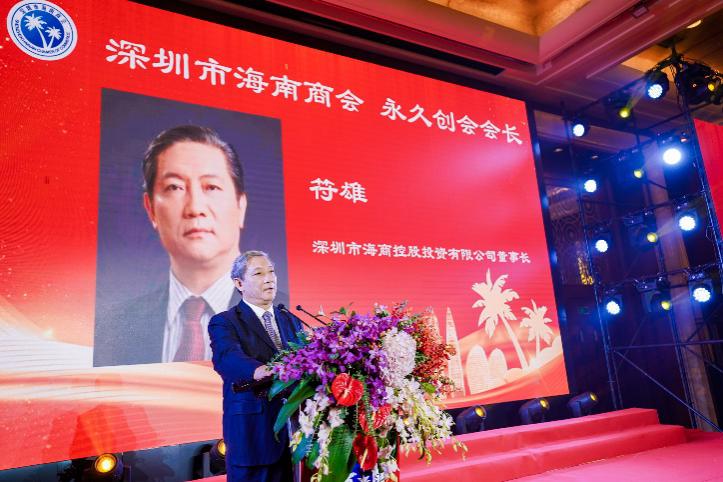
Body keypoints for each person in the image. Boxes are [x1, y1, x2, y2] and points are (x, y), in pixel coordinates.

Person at [93, 125, 247, 366]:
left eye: (211, 187)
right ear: (151, 209)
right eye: (175, 187)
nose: (195, 208)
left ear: (240, 206)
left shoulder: (289, 320)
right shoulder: (112, 329)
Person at [209, 250, 302, 482]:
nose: (269, 278)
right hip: (254, 432)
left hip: (295, 434)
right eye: (259, 273)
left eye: (271, 272)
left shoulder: (290, 318)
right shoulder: (225, 321)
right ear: (239, 283)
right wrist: (262, 370)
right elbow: (227, 357)